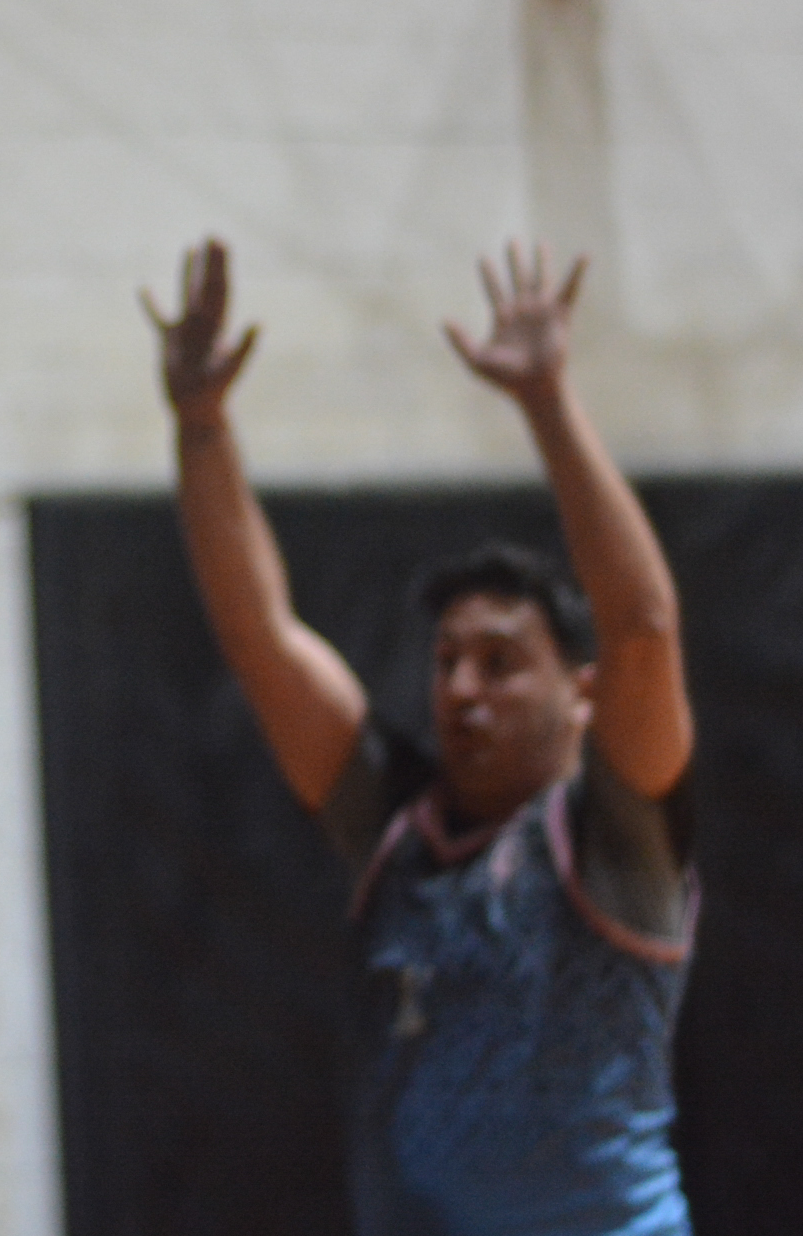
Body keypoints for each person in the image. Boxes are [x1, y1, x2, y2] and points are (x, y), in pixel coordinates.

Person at [143, 237, 698, 1235]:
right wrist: (200, 424)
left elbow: (643, 626)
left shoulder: (616, 832)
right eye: (446, 662)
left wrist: (546, 401)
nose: (461, 688)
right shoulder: (393, 820)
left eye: (499, 661)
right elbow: (260, 637)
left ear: (582, 694)